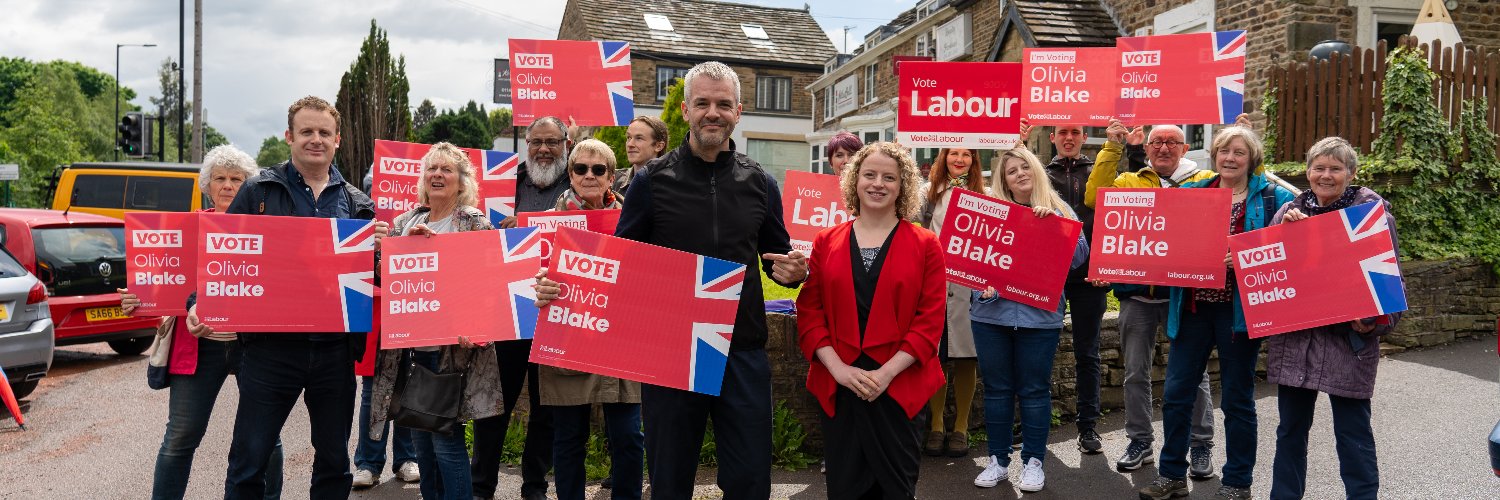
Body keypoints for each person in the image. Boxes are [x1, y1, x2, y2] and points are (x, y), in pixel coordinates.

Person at [534, 60, 807, 500]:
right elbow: (617, 266)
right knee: (670, 482)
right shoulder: (652, 183)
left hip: (742, 351)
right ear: (685, 110)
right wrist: (559, 284)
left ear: (738, 112)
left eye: (723, 104)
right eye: (703, 103)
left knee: (750, 481)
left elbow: (777, 260)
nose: (712, 113)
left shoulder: (760, 183)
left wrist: (793, 273)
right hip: (671, 355)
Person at [201, 96, 389, 500]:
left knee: (334, 463)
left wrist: (385, 251)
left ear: (338, 139)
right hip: (270, 351)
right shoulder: (258, 191)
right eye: (306, 131)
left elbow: (376, 279)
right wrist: (198, 303)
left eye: (324, 132)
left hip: (335, 352)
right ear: (289, 137)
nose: (315, 139)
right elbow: (222, 255)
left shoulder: (358, 204)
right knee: (249, 461)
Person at [1139, 125, 1296, 500]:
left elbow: (1286, 244)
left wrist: (1243, 257)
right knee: (1177, 394)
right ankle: (1172, 475)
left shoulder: (1274, 197)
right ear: (1215, 156)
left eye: (1239, 152)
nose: (1230, 158)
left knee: (1238, 400)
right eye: (1224, 151)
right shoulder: (1192, 193)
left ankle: (1238, 482)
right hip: (1193, 308)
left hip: (1238, 312)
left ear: (1251, 159)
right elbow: (1165, 236)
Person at [119, 144, 284, 500]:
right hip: (196, 349)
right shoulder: (181, 229)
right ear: (206, 186)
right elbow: (158, 285)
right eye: (220, 178)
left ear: (250, 185)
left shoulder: (268, 230)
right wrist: (136, 301)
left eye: (237, 178)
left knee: (267, 438)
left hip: (253, 347)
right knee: (180, 437)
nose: (228, 185)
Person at [796, 141, 945, 499]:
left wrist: (886, 373)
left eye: (889, 177)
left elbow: (929, 322)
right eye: (870, 175)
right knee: (845, 489)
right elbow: (810, 312)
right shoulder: (825, 241)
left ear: (902, 186)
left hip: (898, 387)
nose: (878, 183)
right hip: (841, 386)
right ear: (855, 181)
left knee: (896, 489)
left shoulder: (926, 244)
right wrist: (838, 370)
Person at [368, 142, 505, 500]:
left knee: (445, 441)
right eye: (432, 169)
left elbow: (490, 282)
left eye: (447, 170)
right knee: (421, 442)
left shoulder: (475, 223)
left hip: (451, 354)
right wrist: (387, 251)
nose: (437, 175)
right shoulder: (403, 223)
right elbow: (386, 280)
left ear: (462, 182)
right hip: (411, 354)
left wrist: (476, 327)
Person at [1266, 137, 1400, 500]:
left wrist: (1373, 319)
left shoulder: (1372, 219)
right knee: (1290, 430)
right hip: (1297, 342)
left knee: (1352, 433)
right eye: (1319, 167)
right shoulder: (1287, 214)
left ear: (1351, 174)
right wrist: (1284, 233)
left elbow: (1390, 285)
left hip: (1347, 345)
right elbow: (1271, 271)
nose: (1326, 175)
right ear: (1307, 172)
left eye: (1335, 169)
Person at [1085, 119, 1219, 474]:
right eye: (1157, 141)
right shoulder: (1130, 181)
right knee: (1134, 374)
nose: (1163, 147)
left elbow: (1243, 189)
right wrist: (1112, 147)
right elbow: (1093, 197)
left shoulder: (1205, 182)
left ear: (1185, 148)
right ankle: (1140, 440)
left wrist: (1244, 142)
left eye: (1172, 142)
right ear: (1145, 148)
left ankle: (1201, 445)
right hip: (1137, 297)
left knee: (1196, 373)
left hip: (1184, 296)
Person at [970, 146, 1089, 493]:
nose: (1020, 173)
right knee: (997, 391)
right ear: (1003, 180)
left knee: (1035, 391)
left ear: (1036, 170)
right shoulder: (992, 211)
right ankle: (998, 461)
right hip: (991, 316)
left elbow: (1079, 257)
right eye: (1011, 171)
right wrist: (982, 290)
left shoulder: (1058, 207)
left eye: (1025, 167)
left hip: (1040, 318)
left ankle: (1034, 462)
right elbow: (973, 260)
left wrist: (1053, 225)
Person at [537, 139, 645, 500]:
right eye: (580, 168)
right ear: (570, 174)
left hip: (621, 340)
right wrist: (540, 286)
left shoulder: (636, 221)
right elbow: (524, 281)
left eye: (598, 169)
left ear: (611, 176)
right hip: (569, 338)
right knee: (568, 439)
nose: (589, 175)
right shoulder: (548, 226)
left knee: (629, 437)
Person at [472, 117, 568, 500]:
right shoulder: (502, 184)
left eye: (553, 142)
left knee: (546, 411)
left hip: (555, 311)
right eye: (536, 141)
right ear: (525, 143)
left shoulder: (576, 182)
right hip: (506, 309)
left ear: (567, 142)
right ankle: (481, 487)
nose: (544, 149)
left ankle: (534, 486)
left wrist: (533, 224)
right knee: (494, 406)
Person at [1039, 123, 1112, 453]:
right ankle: (1035, 422)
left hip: (1088, 277)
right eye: (1062, 133)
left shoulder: (1098, 171)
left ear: (1083, 137)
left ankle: (1088, 427)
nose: (1069, 138)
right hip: (1047, 276)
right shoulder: (1040, 173)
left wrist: (1104, 265)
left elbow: (1116, 218)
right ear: (1052, 138)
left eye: (1075, 132)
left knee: (1087, 352)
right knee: (1038, 352)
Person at [916, 147, 984, 458]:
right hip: (935, 286)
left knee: (967, 355)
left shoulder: (987, 194)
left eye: (967, 154)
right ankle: (936, 425)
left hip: (971, 289)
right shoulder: (926, 194)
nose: (960, 159)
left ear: (975, 160)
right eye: (953, 153)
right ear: (943, 157)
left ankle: (961, 426)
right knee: (937, 355)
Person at [613, 115, 668, 194]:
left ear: (659, 146)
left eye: (639, 138)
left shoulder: (672, 184)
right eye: (629, 137)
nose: (630, 144)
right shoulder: (613, 180)